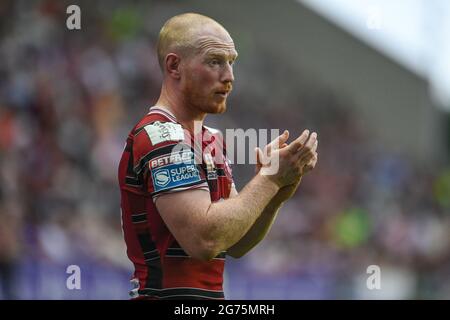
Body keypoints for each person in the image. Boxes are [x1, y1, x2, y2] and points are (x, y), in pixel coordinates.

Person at [118, 12, 318, 300]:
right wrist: (268, 180)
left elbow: (234, 243)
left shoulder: (211, 140)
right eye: (214, 61)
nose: (229, 77)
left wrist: (276, 193)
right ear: (174, 66)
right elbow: (204, 240)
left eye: (231, 62)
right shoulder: (161, 136)